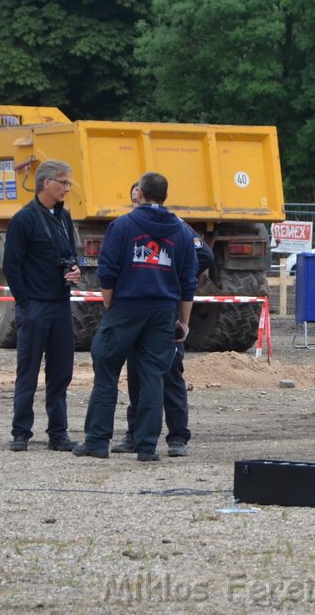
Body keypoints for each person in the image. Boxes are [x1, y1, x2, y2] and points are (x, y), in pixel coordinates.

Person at [74, 172, 198, 461]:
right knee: (153, 376)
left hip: (126, 307)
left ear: (139, 193)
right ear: (165, 196)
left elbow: (107, 270)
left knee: (106, 372)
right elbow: (188, 280)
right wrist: (184, 322)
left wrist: (110, 306)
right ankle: (146, 447)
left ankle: (97, 441)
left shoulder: (123, 225)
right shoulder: (181, 231)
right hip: (162, 311)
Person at [111, 184, 214, 457]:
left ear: (146, 196)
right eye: (131, 200)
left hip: (165, 311)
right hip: (138, 313)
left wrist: (179, 278)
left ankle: (178, 436)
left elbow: (203, 254)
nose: (135, 205)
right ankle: (135, 434)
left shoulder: (174, 226)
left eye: (138, 199)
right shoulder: (130, 227)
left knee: (170, 373)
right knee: (136, 375)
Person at [3, 159, 82, 451]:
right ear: (46, 183)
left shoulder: (64, 217)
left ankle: (58, 433)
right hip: (35, 306)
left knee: (61, 372)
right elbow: (11, 265)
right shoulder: (24, 219)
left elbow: (72, 255)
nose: (67, 188)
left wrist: (75, 270)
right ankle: (21, 432)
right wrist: (25, 301)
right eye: (63, 183)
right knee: (28, 371)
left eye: (68, 183)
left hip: (61, 305)